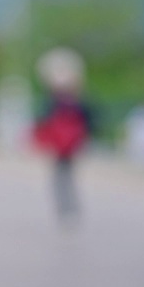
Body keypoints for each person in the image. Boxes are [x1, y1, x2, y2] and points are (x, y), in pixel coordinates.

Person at [32, 48, 92, 226]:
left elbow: (43, 119)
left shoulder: (59, 101)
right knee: (65, 177)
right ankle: (68, 210)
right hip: (67, 144)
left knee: (61, 178)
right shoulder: (74, 100)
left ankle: (66, 210)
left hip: (64, 145)